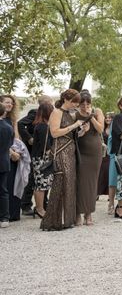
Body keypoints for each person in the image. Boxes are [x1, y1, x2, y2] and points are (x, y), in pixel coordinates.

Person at [41, 89, 82, 231]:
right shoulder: (56, 112)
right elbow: (54, 132)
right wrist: (74, 125)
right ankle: (53, 221)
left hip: (70, 152)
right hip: (60, 152)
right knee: (60, 184)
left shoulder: (69, 114)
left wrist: (82, 130)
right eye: (74, 102)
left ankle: (66, 220)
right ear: (66, 99)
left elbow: (71, 134)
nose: (75, 105)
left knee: (69, 185)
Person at [17, 94, 53, 216]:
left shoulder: (43, 125)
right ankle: (36, 207)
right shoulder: (41, 124)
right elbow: (21, 124)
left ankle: (41, 206)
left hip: (38, 154)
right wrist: (29, 138)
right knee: (39, 183)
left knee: (42, 183)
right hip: (40, 156)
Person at [75, 91, 104, 226]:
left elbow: (100, 129)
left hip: (94, 153)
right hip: (80, 151)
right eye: (82, 103)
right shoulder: (74, 114)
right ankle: (77, 214)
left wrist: (90, 116)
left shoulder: (97, 111)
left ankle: (89, 213)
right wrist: (82, 132)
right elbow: (72, 134)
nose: (85, 106)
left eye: (87, 103)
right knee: (79, 182)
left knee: (92, 183)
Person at [30, 102, 54, 219]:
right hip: (41, 159)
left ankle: (39, 208)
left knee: (39, 184)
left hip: (37, 158)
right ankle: (40, 208)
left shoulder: (39, 125)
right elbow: (46, 144)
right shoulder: (44, 127)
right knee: (41, 184)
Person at [1, 95, 22, 221]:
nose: (10, 105)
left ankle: (12, 213)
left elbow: (16, 138)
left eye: (11, 103)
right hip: (5, 154)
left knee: (12, 183)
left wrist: (17, 152)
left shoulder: (13, 120)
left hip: (13, 155)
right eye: (7, 102)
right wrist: (12, 153)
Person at [0, 105, 14, 228]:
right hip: (4, 161)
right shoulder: (8, 127)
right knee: (3, 190)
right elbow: (10, 143)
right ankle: (4, 217)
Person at [96, 112, 113, 199]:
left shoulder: (114, 129)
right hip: (103, 153)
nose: (108, 119)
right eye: (106, 118)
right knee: (101, 173)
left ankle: (110, 194)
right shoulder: (102, 129)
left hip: (112, 153)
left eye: (110, 118)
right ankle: (97, 193)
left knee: (110, 174)